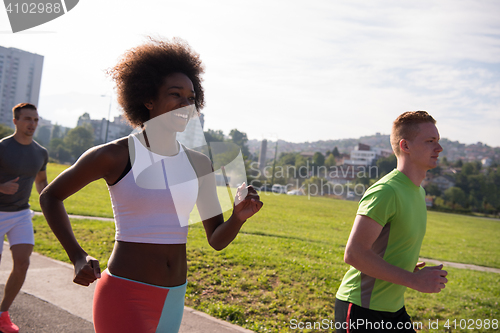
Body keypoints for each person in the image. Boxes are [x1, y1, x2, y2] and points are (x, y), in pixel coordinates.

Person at [39, 37, 263, 333]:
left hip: (174, 296)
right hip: (124, 293)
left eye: (190, 97)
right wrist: (77, 256)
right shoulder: (114, 155)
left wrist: (238, 216)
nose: (185, 104)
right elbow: (50, 196)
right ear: (148, 99)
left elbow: (217, 240)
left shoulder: (198, 164)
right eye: (175, 95)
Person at [335, 111, 448, 332]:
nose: (439, 148)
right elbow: (354, 253)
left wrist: (403, 265)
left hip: (394, 309)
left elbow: (381, 248)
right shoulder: (386, 191)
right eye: (430, 141)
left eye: (438, 141)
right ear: (405, 146)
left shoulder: (418, 192)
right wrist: (413, 280)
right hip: (361, 310)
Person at [0, 103, 48, 333]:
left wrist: (49, 199)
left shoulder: (40, 152)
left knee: (23, 263)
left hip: (20, 213)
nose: (32, 123)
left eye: (36, 119)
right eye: (28, 119)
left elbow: (40, 180)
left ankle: (2, 314)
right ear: (16, 121)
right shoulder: (3, 148)